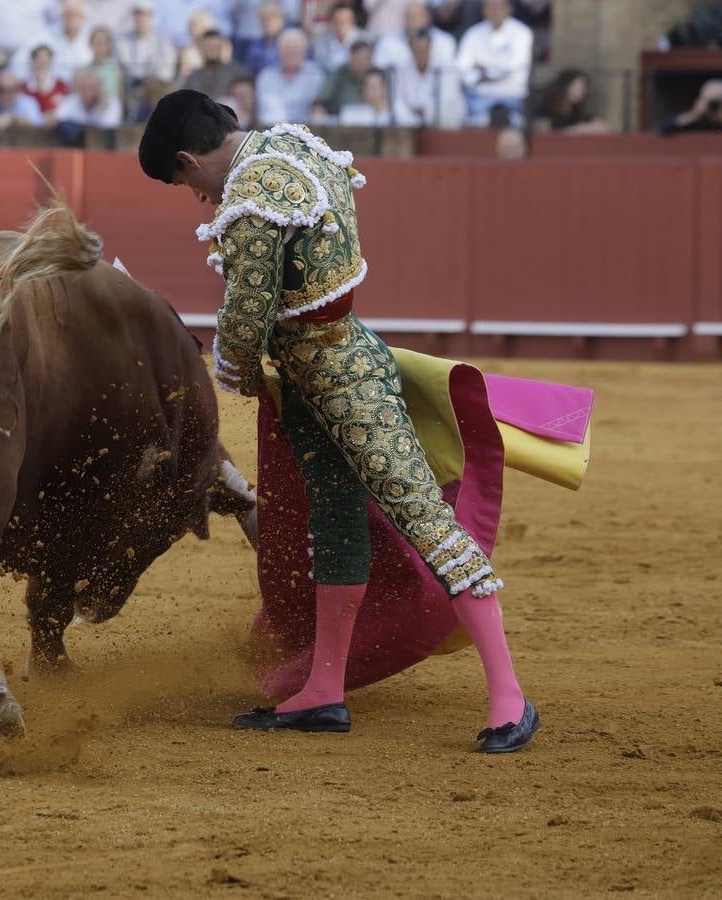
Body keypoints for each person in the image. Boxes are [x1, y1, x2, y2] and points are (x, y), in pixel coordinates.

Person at [136, 89, 568, 752]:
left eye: (184, 183)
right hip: (337, 361)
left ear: (190, 159)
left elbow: (248, 318)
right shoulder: (298, 143)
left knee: (425, 518)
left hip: (335, 381)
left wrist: (238, 374)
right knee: (335, 523)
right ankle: (323, 692)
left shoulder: (250, 194)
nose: (197, 198)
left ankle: (510, 698)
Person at [455, 0, 531, 126]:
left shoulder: (522, 33)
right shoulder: (473, 33)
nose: (495, 11)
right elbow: (462, 68)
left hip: (512, 96)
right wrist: (486, 73)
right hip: (479, 96)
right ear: (483, 10)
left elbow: (514, 67)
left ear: (508, 9)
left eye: (499, 7)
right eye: (490, 7)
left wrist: (483, 69)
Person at [389, 27, 463, 127]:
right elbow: (398, 100)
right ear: (410, 48)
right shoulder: (402, 69)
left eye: (424, 49)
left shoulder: (445, 67)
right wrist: (412, 118)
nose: (421, 53)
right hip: (410, 124)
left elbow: (448, 100)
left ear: (430, 47)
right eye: (417, 49)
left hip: (444, 123)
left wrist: (424, 111)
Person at [8, 0, 90, 82]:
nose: (72, 19)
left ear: (84, 16)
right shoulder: (45, 38)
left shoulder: (92, 38)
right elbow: (17, 64)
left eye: (75, 14)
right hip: (51, 92)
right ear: (61, 15)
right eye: (68, 14)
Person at [253, 26, 322, 124]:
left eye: (295, 49)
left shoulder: (316, 75)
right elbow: (262, 111)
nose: (291, 53)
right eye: (287, 49)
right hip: (271, 130)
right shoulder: (266, 76)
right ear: (278, 51)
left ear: (305, 52)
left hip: (306, 131)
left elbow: (318, 110)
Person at [373, 1, 455, 71]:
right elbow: (380, 72)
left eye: (417, 17)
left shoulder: (445, 41)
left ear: (428, 18)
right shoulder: (387, 43)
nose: (413, 21)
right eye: (409, 17)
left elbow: (449, 72)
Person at [529, 67, 609, 134]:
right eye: (578, 88)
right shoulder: (545, 108)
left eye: (584, 88)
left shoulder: (577, 111)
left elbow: (603, 127)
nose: (582, 92)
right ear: (565, 86)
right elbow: (543, 132)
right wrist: (575, 130)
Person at [309, 36, 370, 122]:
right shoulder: (339, 74)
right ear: (350, 58)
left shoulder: (378, 75)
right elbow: (319, 102)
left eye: (364, 59)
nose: (361, 63)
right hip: (342, 124)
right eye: (357, 59)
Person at [116, 0, 176, 85]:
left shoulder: (163, 40)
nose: (141, 18)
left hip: (156, 87)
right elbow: (125, 66)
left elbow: (167, 69)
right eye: (138, 14)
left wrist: (151, 80)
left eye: (145, 14)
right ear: (133, 16)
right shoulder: (123, 40)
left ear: (151, 16)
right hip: (131, 87)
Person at [183, 27, 249, 100]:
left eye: (215, 46)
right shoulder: (193, 77)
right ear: (201, 48)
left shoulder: (236, 72)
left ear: (221, 47)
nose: (212, 50)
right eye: (208, 47)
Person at [310, 1, 366, 72]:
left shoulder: (365, 40)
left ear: (353, 21)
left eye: (345, 21)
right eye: (337, 21)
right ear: (331, 22)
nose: (340, 25)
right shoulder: (321, 43)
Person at [22, 42, 68, 116]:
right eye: (38, 58)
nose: (42, 61)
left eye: (46, 58)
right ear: (33, 61)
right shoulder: (23, 87)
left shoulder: (61, 85)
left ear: (51, 61)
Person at [242, 2, 285, 75]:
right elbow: (250, 69)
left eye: (274, 19)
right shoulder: (255, 46)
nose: (269, 23)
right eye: (265, 20)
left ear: (281, 21)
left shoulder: (289, 43)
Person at [84, 25, 123, 103]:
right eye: (96, 41)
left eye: (102, 42)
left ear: (108, 45)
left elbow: (117, 97)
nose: (99, 45)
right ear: (91, 44)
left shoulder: (115, 70)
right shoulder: (83, 70)